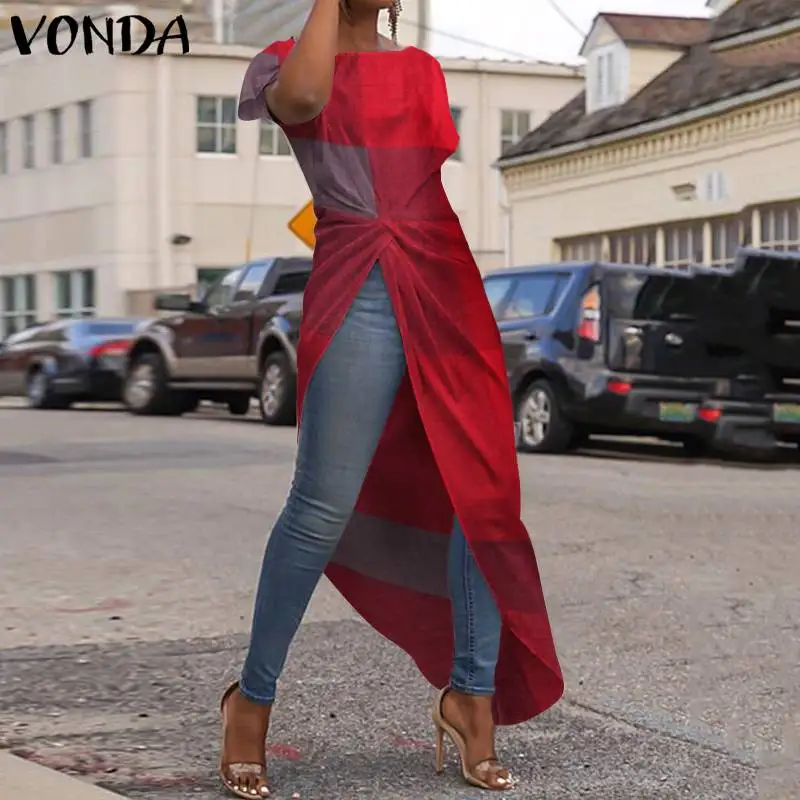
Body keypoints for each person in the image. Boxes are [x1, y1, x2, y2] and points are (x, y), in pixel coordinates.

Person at [220, 0, 564, 796]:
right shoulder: (283, 61)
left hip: (444, 275)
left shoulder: (421, 69)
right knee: (321, 505)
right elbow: (306, 99)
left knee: (482, 498)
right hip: (359, 281)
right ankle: (251, 702)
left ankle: (472, 697)